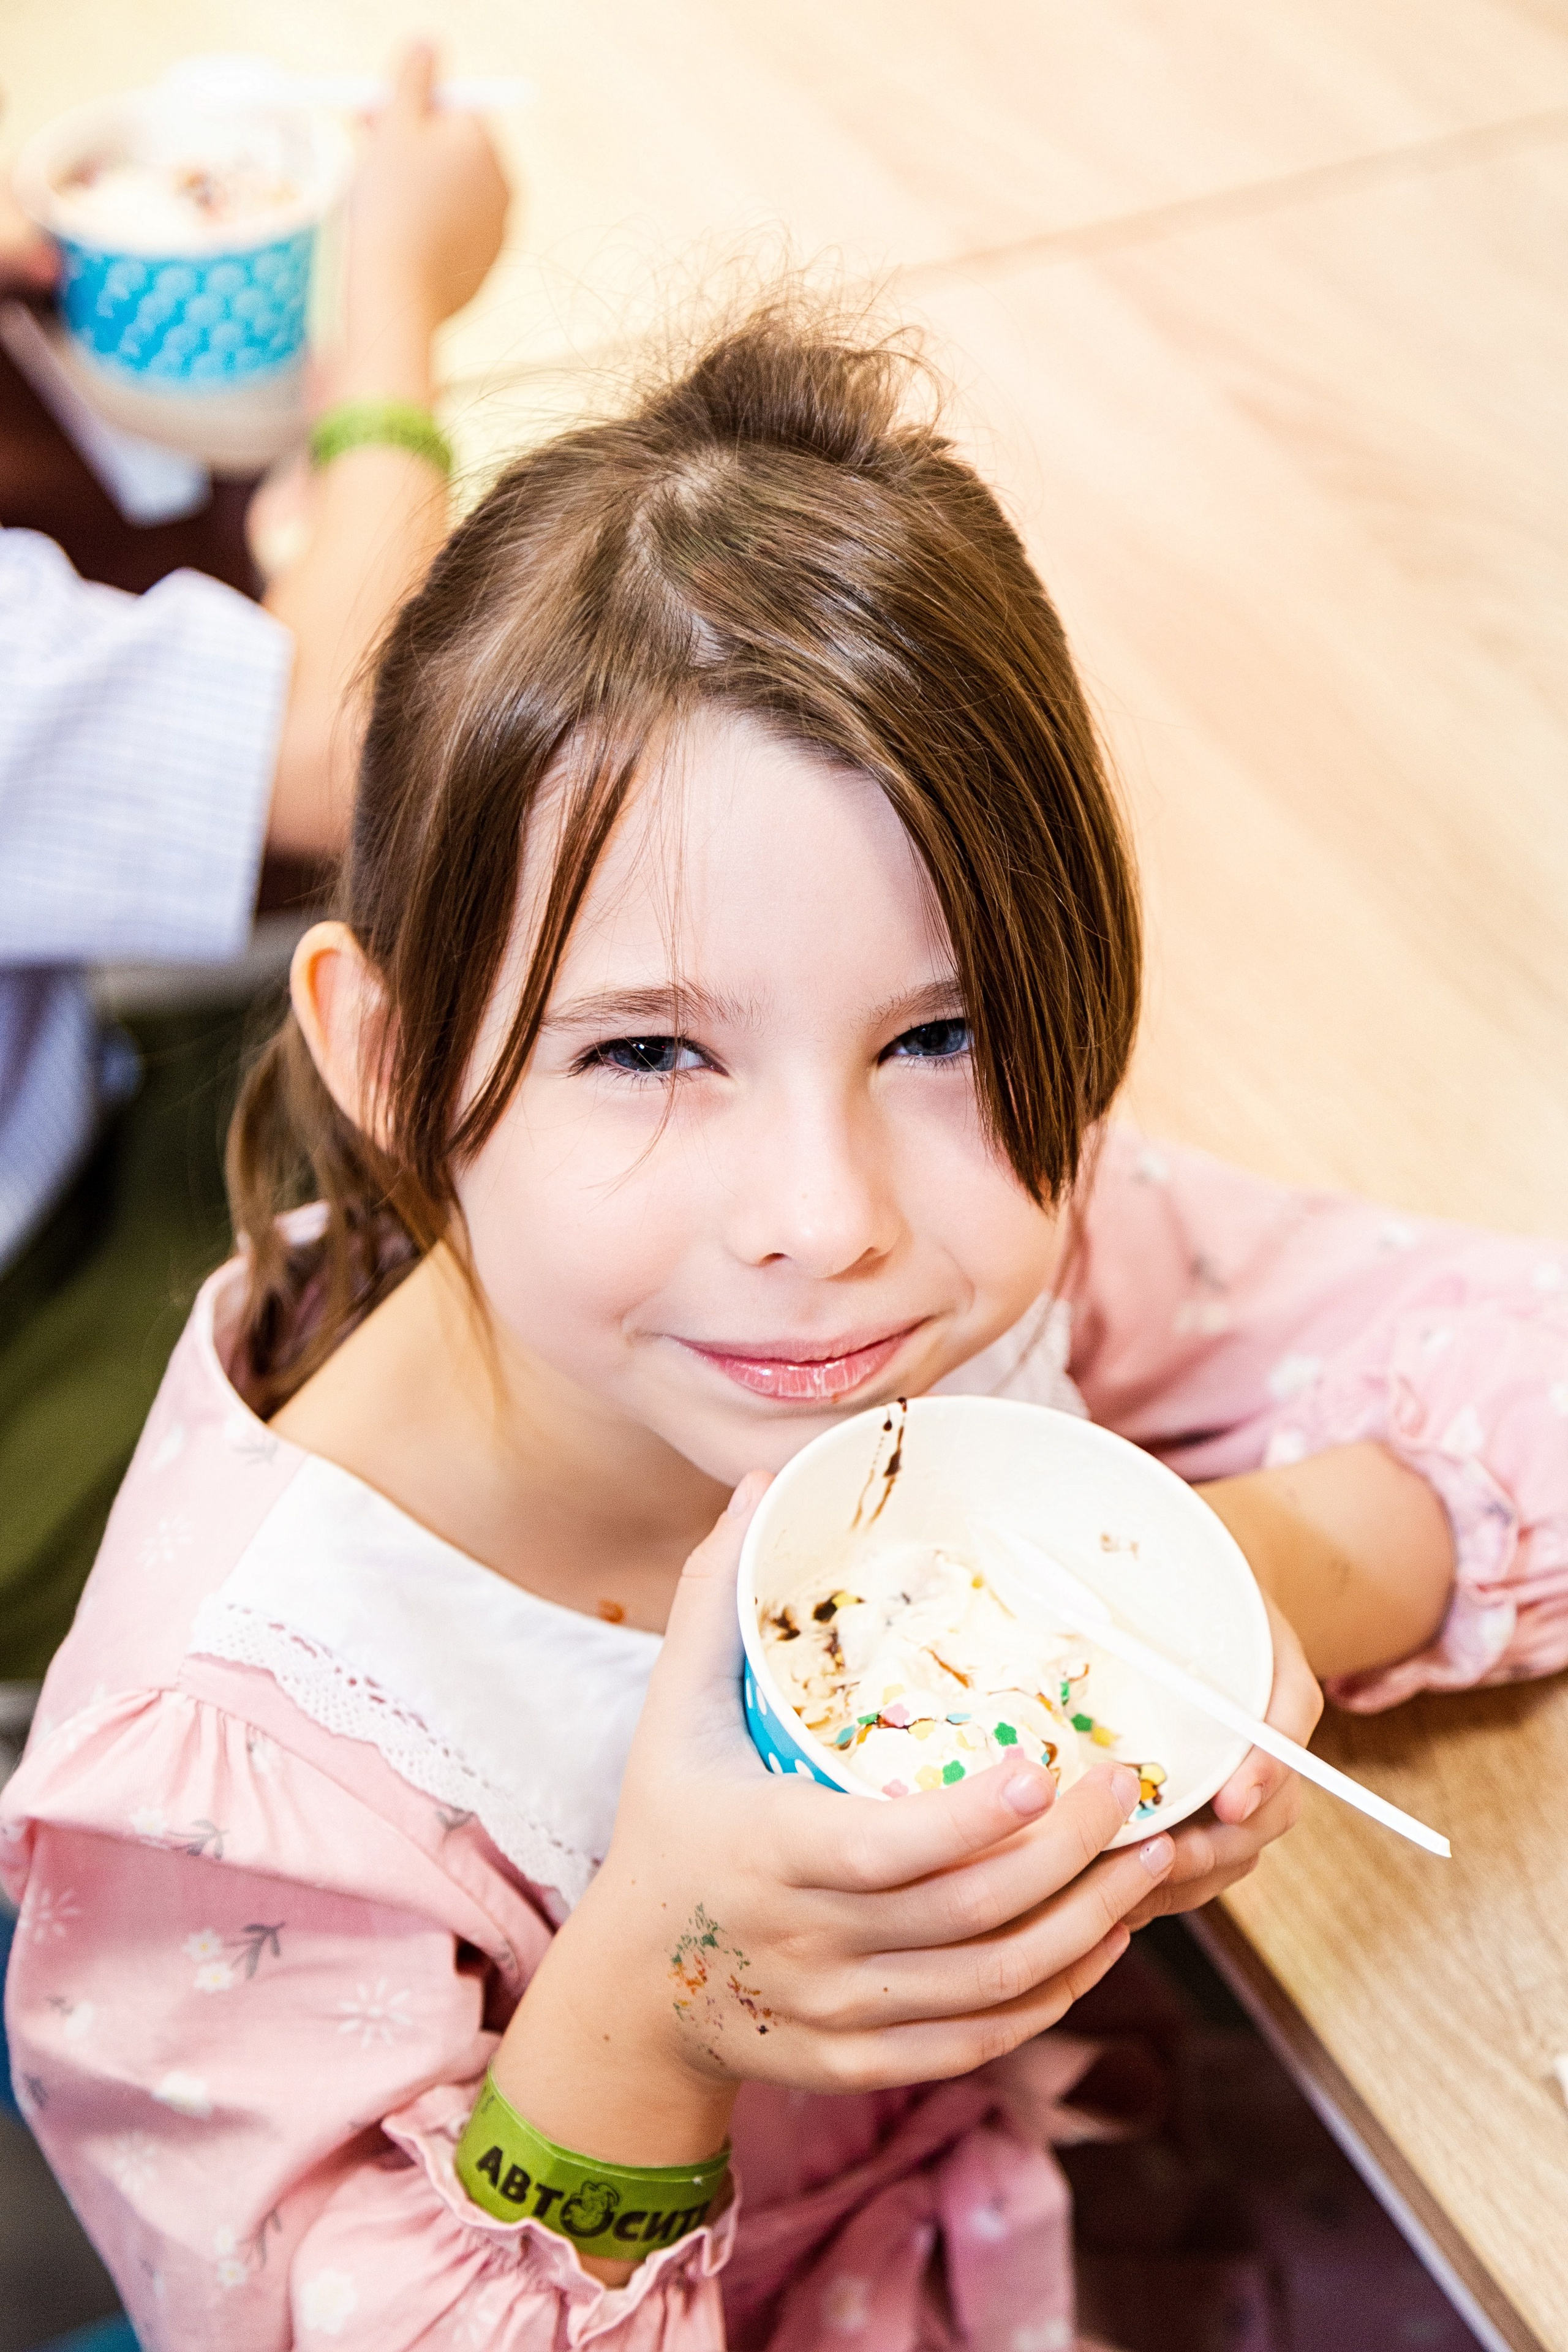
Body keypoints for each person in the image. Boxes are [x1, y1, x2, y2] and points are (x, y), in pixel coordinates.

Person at [2, 303, 1565, 2352]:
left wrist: (1227, 1589)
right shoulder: (238, 1764)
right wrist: (660, 1997)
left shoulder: (977, 1282)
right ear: (385, 1061)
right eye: (649, 1053)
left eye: (944, 1031)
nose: (830, 1223)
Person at [0, 46, 508, 1680]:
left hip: (75, 1088)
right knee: (568, 1338)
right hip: (37, 1314)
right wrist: (390, 313)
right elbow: (332, 739)